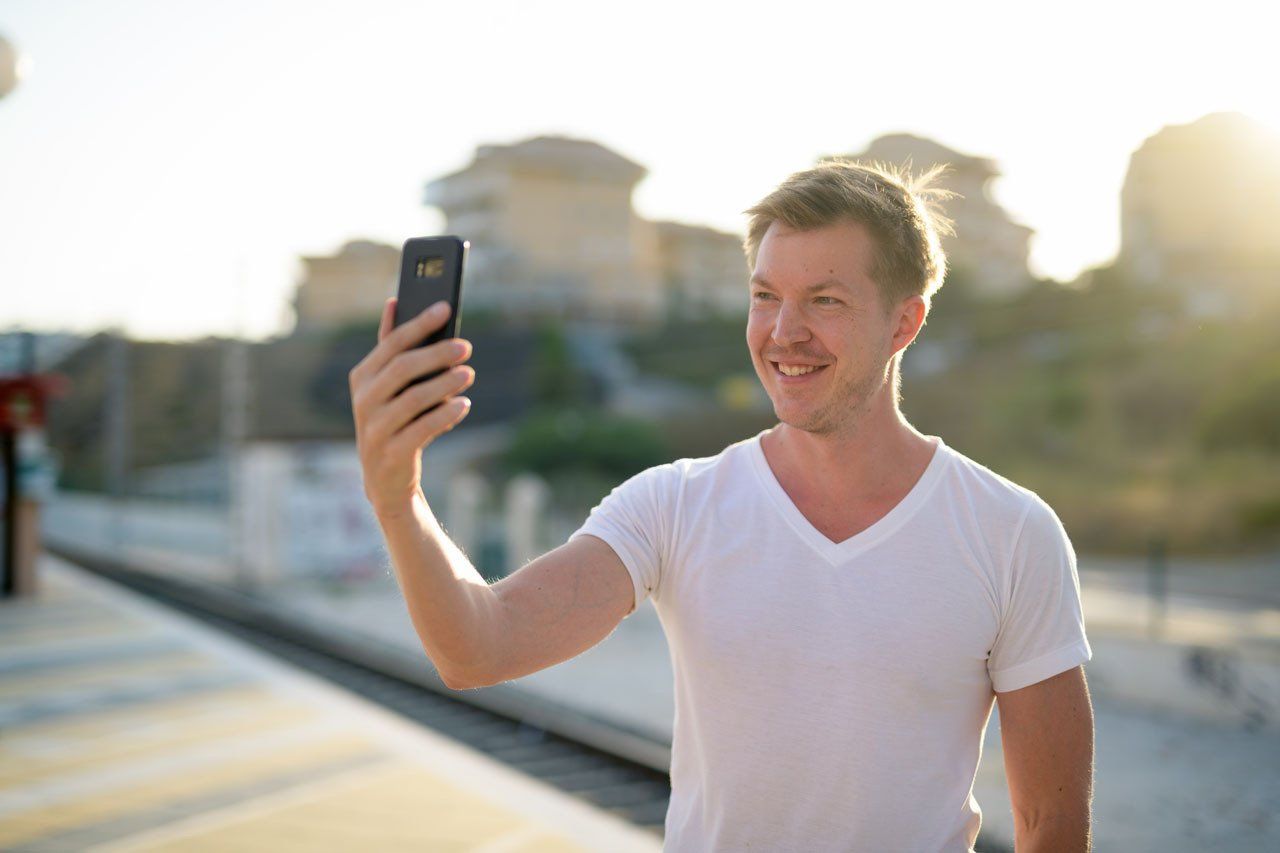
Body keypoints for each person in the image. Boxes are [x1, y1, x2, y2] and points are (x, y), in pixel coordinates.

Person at [348, 159, 1094, 853]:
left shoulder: (1010, 532)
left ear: (904, 323)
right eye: (766, 295)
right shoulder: (673, 506)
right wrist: (398, 497)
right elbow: (479, 647)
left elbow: (1050, 822)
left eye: (824, 300)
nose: (783, 332)